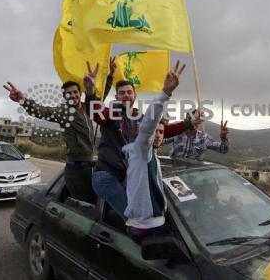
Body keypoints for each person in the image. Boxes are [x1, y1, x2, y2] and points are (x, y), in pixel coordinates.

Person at [83, 61, 202, 219]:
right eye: (122, 93)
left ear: (134, 96)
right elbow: (96, 113)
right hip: (107, 176)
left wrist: (188, 123)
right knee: (135, 218)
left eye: (129, 92)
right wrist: (91, 93)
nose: (126, 95)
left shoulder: (141, 118)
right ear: (117, 97)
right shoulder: (110, 114)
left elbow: (163, 130)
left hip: (128, 177)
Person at [3, 58, 116, 202]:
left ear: (80, 92)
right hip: (76, 168)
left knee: (95, 204)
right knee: (82, 207)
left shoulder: (88, 107)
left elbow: (101, 95)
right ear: (64, 97)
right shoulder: (64, 112)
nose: (73, 95)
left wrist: (111, 76)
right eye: (69, 94)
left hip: (90, 165)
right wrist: (22, 100)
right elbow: (41, 111)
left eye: (75, 92)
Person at [123, 61, 185, 243]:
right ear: (139, 130)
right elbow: (149, 126)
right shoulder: (142, 151)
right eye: (153, 131)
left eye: (161, 132)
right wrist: (165, 93)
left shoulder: (145, 154)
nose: (157, 135)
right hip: (149, 228)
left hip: (146, 223)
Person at [164, 111, 230, 161]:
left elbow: (223, 150)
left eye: (196, 119)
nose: (194, 121)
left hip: (193, 175)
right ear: (186, 120)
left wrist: (224, 137)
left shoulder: (204, 138)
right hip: (174, 172)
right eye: (191, 118)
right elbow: (159, 141)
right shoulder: (177, 133)